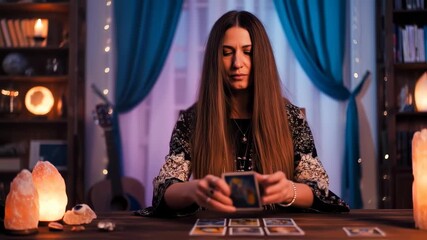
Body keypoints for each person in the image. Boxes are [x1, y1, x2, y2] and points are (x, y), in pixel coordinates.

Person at [137, 10, 350, 217]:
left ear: (262, 57)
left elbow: (317, 188)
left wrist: (288, 191)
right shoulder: (192, 120)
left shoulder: (291, 118)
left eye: (247, 52)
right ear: (214, 59)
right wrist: (193, 190)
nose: (237, 63)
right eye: (227, 53)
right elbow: (165, 189)